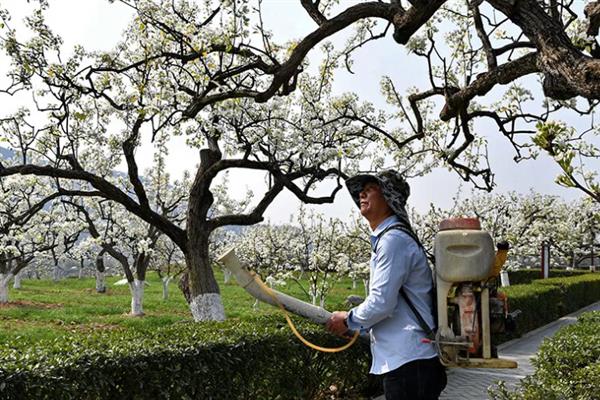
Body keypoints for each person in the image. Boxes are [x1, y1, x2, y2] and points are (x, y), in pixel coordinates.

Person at [326, 170, 447, 400]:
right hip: (411, 361)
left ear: (389, 199)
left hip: (410, 363)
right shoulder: (392, 238)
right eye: (362, 190)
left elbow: (381, 303)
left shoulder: (393, 241)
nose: (362, 193)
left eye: (371, 188)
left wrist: (347, 319)